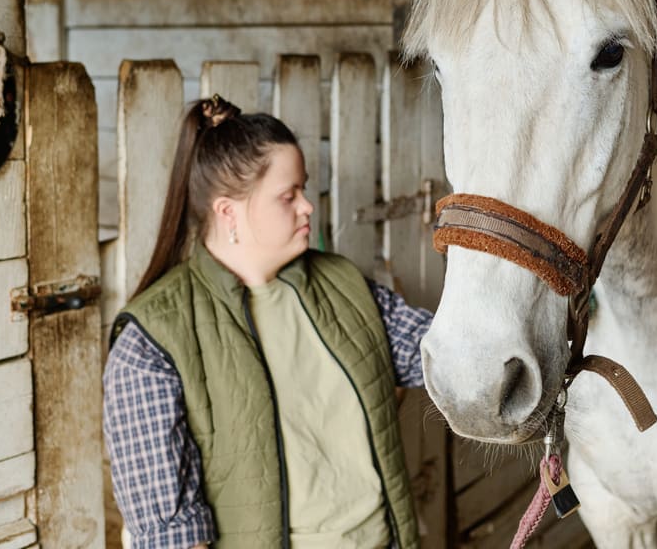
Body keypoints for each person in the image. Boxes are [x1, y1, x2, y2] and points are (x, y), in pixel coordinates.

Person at [103, 96, 431, 549]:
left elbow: (444, 356)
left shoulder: (344, 286)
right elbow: (172, 538)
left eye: (304, 190)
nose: (307, 207)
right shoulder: (151, 342)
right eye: (287, 196)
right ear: (228, 212)